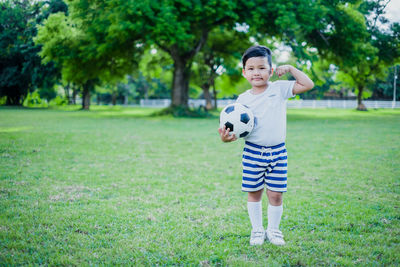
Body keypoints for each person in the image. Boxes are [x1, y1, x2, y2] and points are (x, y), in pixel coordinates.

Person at [218, 45, 314, 246]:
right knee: (254, 193)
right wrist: (226, 138)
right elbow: (232, 131)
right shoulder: (242, 101)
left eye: (262, 68)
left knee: (276, 194)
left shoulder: (278, 89)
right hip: (252, 152)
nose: (256, 72)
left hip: (278, 153)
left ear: (271, 71)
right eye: (251, 68)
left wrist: (289, 68)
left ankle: (274, 230)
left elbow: (307, 84)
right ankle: (257, 230)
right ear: (244, 73)